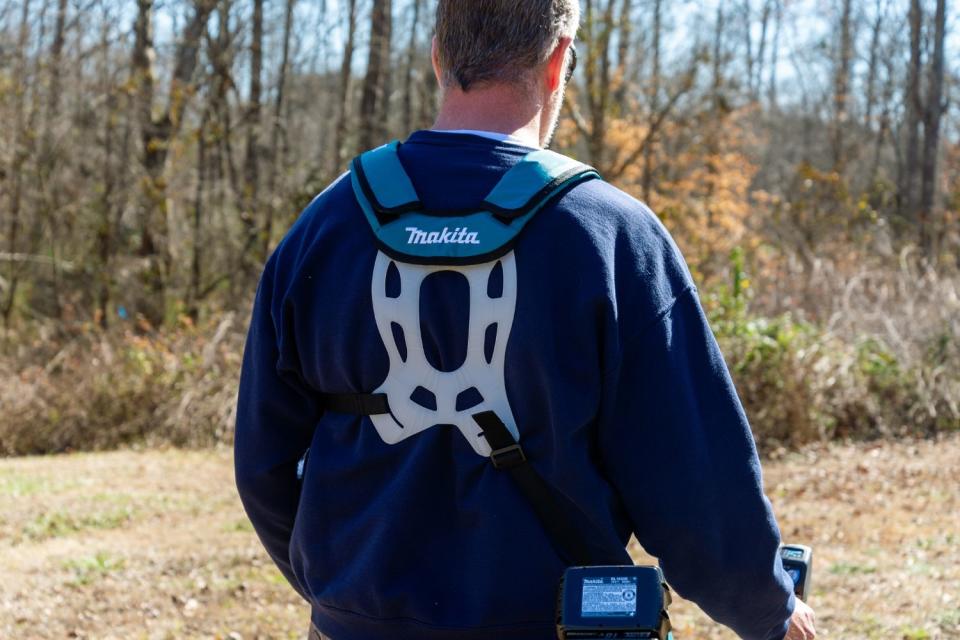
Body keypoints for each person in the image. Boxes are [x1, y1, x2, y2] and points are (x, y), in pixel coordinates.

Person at [233, 1, 817, 639]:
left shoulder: (325, 226)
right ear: (559, 60)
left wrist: (343, 592)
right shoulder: (612, 237)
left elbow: (264, 464)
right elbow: (696, 487)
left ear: (437, 56)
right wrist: (771, 611)